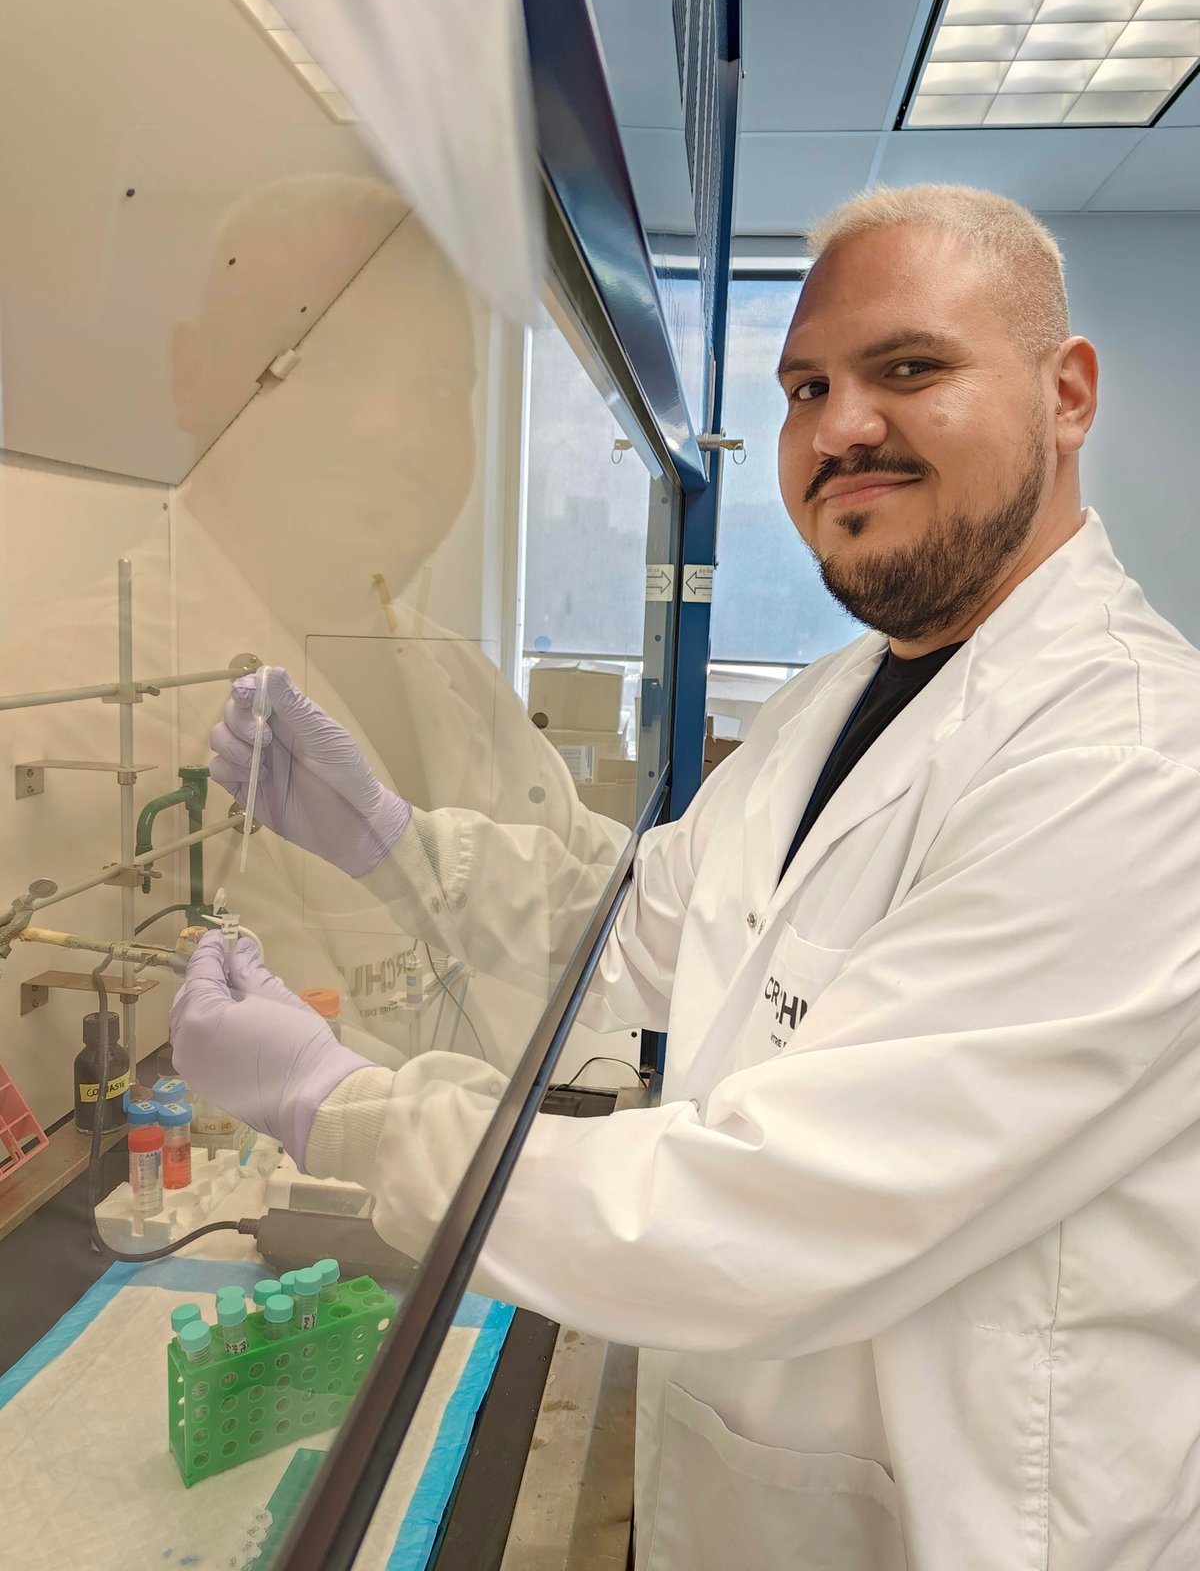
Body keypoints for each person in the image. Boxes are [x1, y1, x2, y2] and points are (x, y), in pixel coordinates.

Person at [171, 184, 1200, 1571]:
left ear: (1066, 393)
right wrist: (396, 842)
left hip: (981, 1526)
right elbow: (637, 931)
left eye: (911, 369)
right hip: (754, 1489)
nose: (841, 428)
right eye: (807, 387)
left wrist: (343, 1109)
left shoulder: (1135, 767)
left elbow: (759, 1213)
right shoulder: (834, 700)